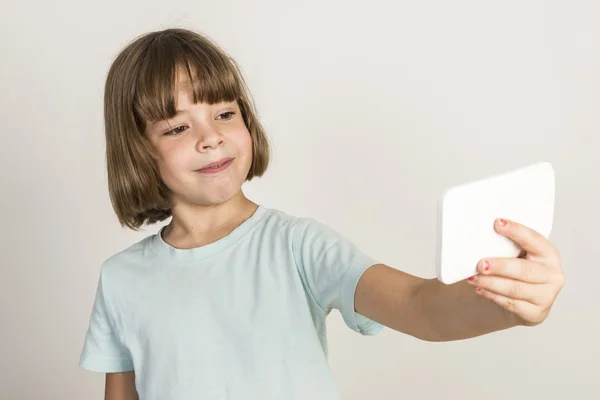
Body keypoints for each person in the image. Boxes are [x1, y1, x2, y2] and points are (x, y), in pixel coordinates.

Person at [78, 28, 566, 400]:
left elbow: (421, 306)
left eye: (225, 114)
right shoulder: (122, 279)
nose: (211, 137)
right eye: (178, 127)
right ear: (137, 150)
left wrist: (510, 302)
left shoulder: (298, 246)